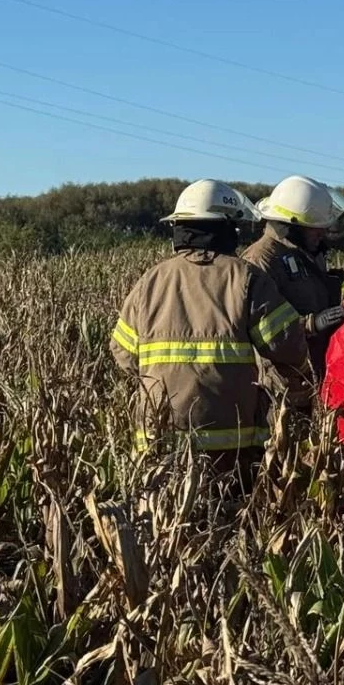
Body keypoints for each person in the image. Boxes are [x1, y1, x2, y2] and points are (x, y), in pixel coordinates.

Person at [110, 179, 312, 490]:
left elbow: (123, 354)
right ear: (228, 228)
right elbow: (288, 346)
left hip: (158, 438)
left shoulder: (149, 281)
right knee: (226, 522)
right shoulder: (246, 278)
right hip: (227, 442)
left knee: (167, 526)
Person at [242, 175, 344, 379]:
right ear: (292, 225)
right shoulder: (260, 260)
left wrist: (328, 285)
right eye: (316, 226)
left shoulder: (305, 253)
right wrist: (312, 324)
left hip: (313, 375)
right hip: (281, 384)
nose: (324, 232)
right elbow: (259, 330)